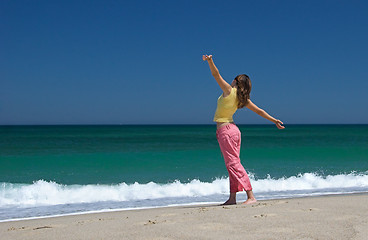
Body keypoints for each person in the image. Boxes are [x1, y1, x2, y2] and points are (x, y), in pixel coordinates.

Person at [203, 54, 285, 205]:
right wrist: (274, 120)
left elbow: (216, 74)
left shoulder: (229, 90)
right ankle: (232, 198)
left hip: (226, 131)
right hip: (233, 131)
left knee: (233, 164)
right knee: (232, 164)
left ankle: (251, 196)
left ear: (235, 81)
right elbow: (259, 111)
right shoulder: (242, 99)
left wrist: (210, 61)